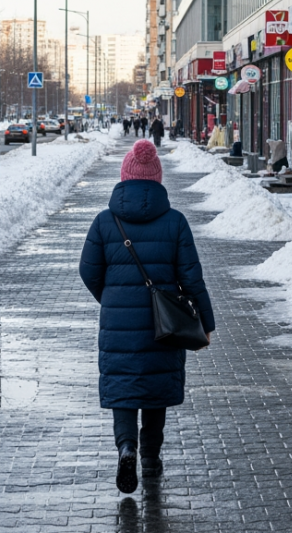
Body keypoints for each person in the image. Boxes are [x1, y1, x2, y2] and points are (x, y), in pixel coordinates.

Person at [79, 140, 215, 494]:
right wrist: (207, 324)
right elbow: (192, 279)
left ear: (124, 177)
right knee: (155, 393)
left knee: (123, 392)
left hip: (118, 327)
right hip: (163, 325)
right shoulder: (176, 222)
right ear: (157, 180)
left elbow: (88, 271)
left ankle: (126, 448)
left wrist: (109, 299)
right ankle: (151, 461)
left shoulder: (104, 222)